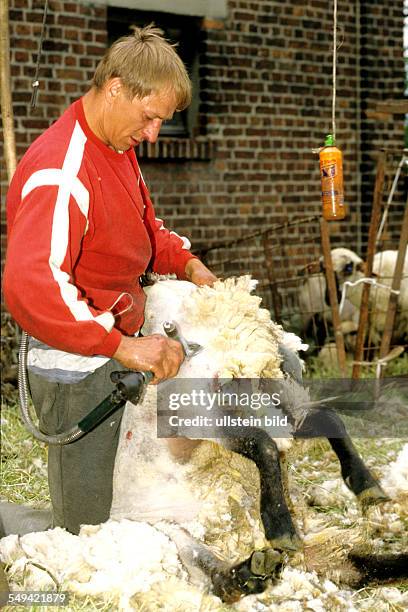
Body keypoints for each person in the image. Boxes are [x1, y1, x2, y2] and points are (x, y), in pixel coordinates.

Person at [3, 24, 217, 535]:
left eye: (162, 123)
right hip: (77, 365)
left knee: (138, 501)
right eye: (149, 117)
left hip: (115, 347)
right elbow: (31, 283)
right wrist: (120, 347)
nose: (152, 135)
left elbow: (143, 227)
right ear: (116, 87)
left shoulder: (117, 150)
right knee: (87, 534)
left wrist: (186, 262)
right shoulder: (63, 167)